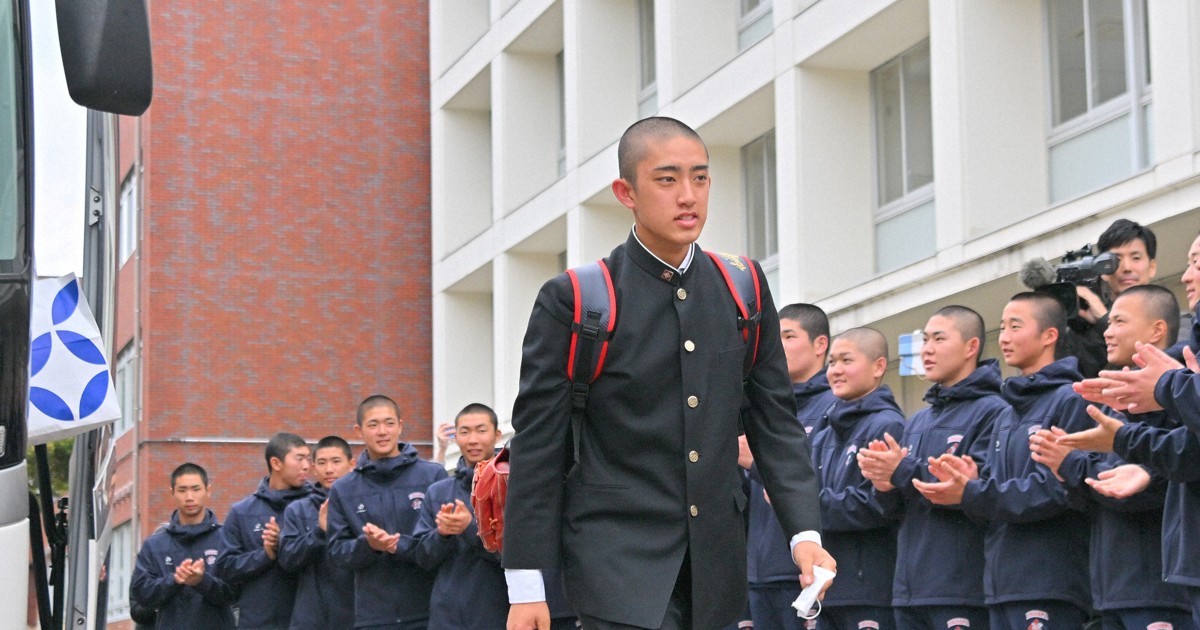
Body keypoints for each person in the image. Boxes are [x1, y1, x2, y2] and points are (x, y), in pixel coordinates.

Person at [502, 116, 833, 630]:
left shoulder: (742, 286)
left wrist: (805, 536)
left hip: (716, 569)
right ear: (625, 191)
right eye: (667, 179)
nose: (688, 196)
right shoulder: (576, 298)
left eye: (700, 178)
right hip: (614, 564)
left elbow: (775, 422)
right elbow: (538, 445)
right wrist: (526, 586)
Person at [911, 293, 1093, 630]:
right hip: (1000, 585)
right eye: (1002, 327)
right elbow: (992, 491)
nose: (1005, 337)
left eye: (1015, 326)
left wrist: (973, 492)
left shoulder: (1071, 399)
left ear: (1049, 336)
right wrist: (971, 485)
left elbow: (1058, 488)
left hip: (1048, 582)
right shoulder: (1008, 411)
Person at [1029, 285, 1194, 629]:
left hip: (1155, 587)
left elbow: (1165, 470)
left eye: (1119, 321)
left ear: (1157, 330)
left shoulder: (1181, 393)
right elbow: (1092, 497)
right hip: (1110, 588)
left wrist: (1074, 464)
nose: (1108, 330)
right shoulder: (1113, 397)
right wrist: (1065, 468)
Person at [857, 306, 1008, 630]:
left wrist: (901, 471)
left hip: (962, 588)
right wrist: (883, 485)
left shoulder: (994, 411)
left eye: (939, 339)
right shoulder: (919, 420)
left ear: (971, 347)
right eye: (924, 340)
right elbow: (897, 506)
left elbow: (973, 493)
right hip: (909, 591)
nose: (927, 349)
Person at [414, 403, 577, 629]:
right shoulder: (438, 492)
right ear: (456, 437)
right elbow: (422, 558)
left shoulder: (514, 485)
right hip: (448, 613)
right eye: (464, 432)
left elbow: (523, 552)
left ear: (497, 434)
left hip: (499, 609)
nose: (473, 440)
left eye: (481, 431)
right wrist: (442, 534)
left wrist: (470, 527)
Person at [742, 303, 836, 630]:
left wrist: (756, 463)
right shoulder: (763, 407)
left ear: (820, 344)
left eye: (789, 336)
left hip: (805, 573)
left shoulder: (836, 407)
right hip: (759, 570)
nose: (777, 345)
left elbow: (814, 483)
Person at [808, 328, 903, 630]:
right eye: (832, 362)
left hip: (869, 588)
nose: (835, 370)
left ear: (878, 367)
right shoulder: (825, 433)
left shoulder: (887, 425)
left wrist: (808, 505)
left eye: (846, 360)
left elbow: (878, 505)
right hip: (826, 588)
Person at [326, 395, 448, 629]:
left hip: (432, 611)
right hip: (374, 616)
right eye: (373, 425)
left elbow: (445, 544)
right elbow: (336, 552)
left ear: (400, 426)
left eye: (389, 423)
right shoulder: (344, 489)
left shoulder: (432, 476)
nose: (382, 431)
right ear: (358, 430)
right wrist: (369, 545)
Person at [217, 432, 313, 629]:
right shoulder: (242, 512)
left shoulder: (316, 507)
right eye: (299, 458)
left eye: (308, 459)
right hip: (258, 622)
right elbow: (224, 568)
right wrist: (265, 555)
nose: (307, 466)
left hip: (309, 619)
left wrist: (287, 544)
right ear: (276, 464)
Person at [130, 462, 236, 629]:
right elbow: (140, 595)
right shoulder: (155, 544)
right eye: (182, 490)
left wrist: (202, 581)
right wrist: (174, 580)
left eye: (195, 489)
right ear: (172, 492)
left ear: (208, 490)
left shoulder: (226, 538)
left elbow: (236, 592)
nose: (189, 497)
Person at [278, 435, 356, 630]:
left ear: (351, 464)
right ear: (314, 467)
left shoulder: (363, 504)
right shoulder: (298, 510)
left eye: (336, 461)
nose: (329, 469)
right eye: (322, 463)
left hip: (358, 616)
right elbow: (287, 560)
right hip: (312, 618)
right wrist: (319, 533)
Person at [1067, 219, 1159, 377]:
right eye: (1116, 260)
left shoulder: (1176, 319)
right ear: (1102, 269)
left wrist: (1105, 319)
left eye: (1136, 258)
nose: (1127, 268)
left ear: (1152, 267)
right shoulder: (1084, 333)